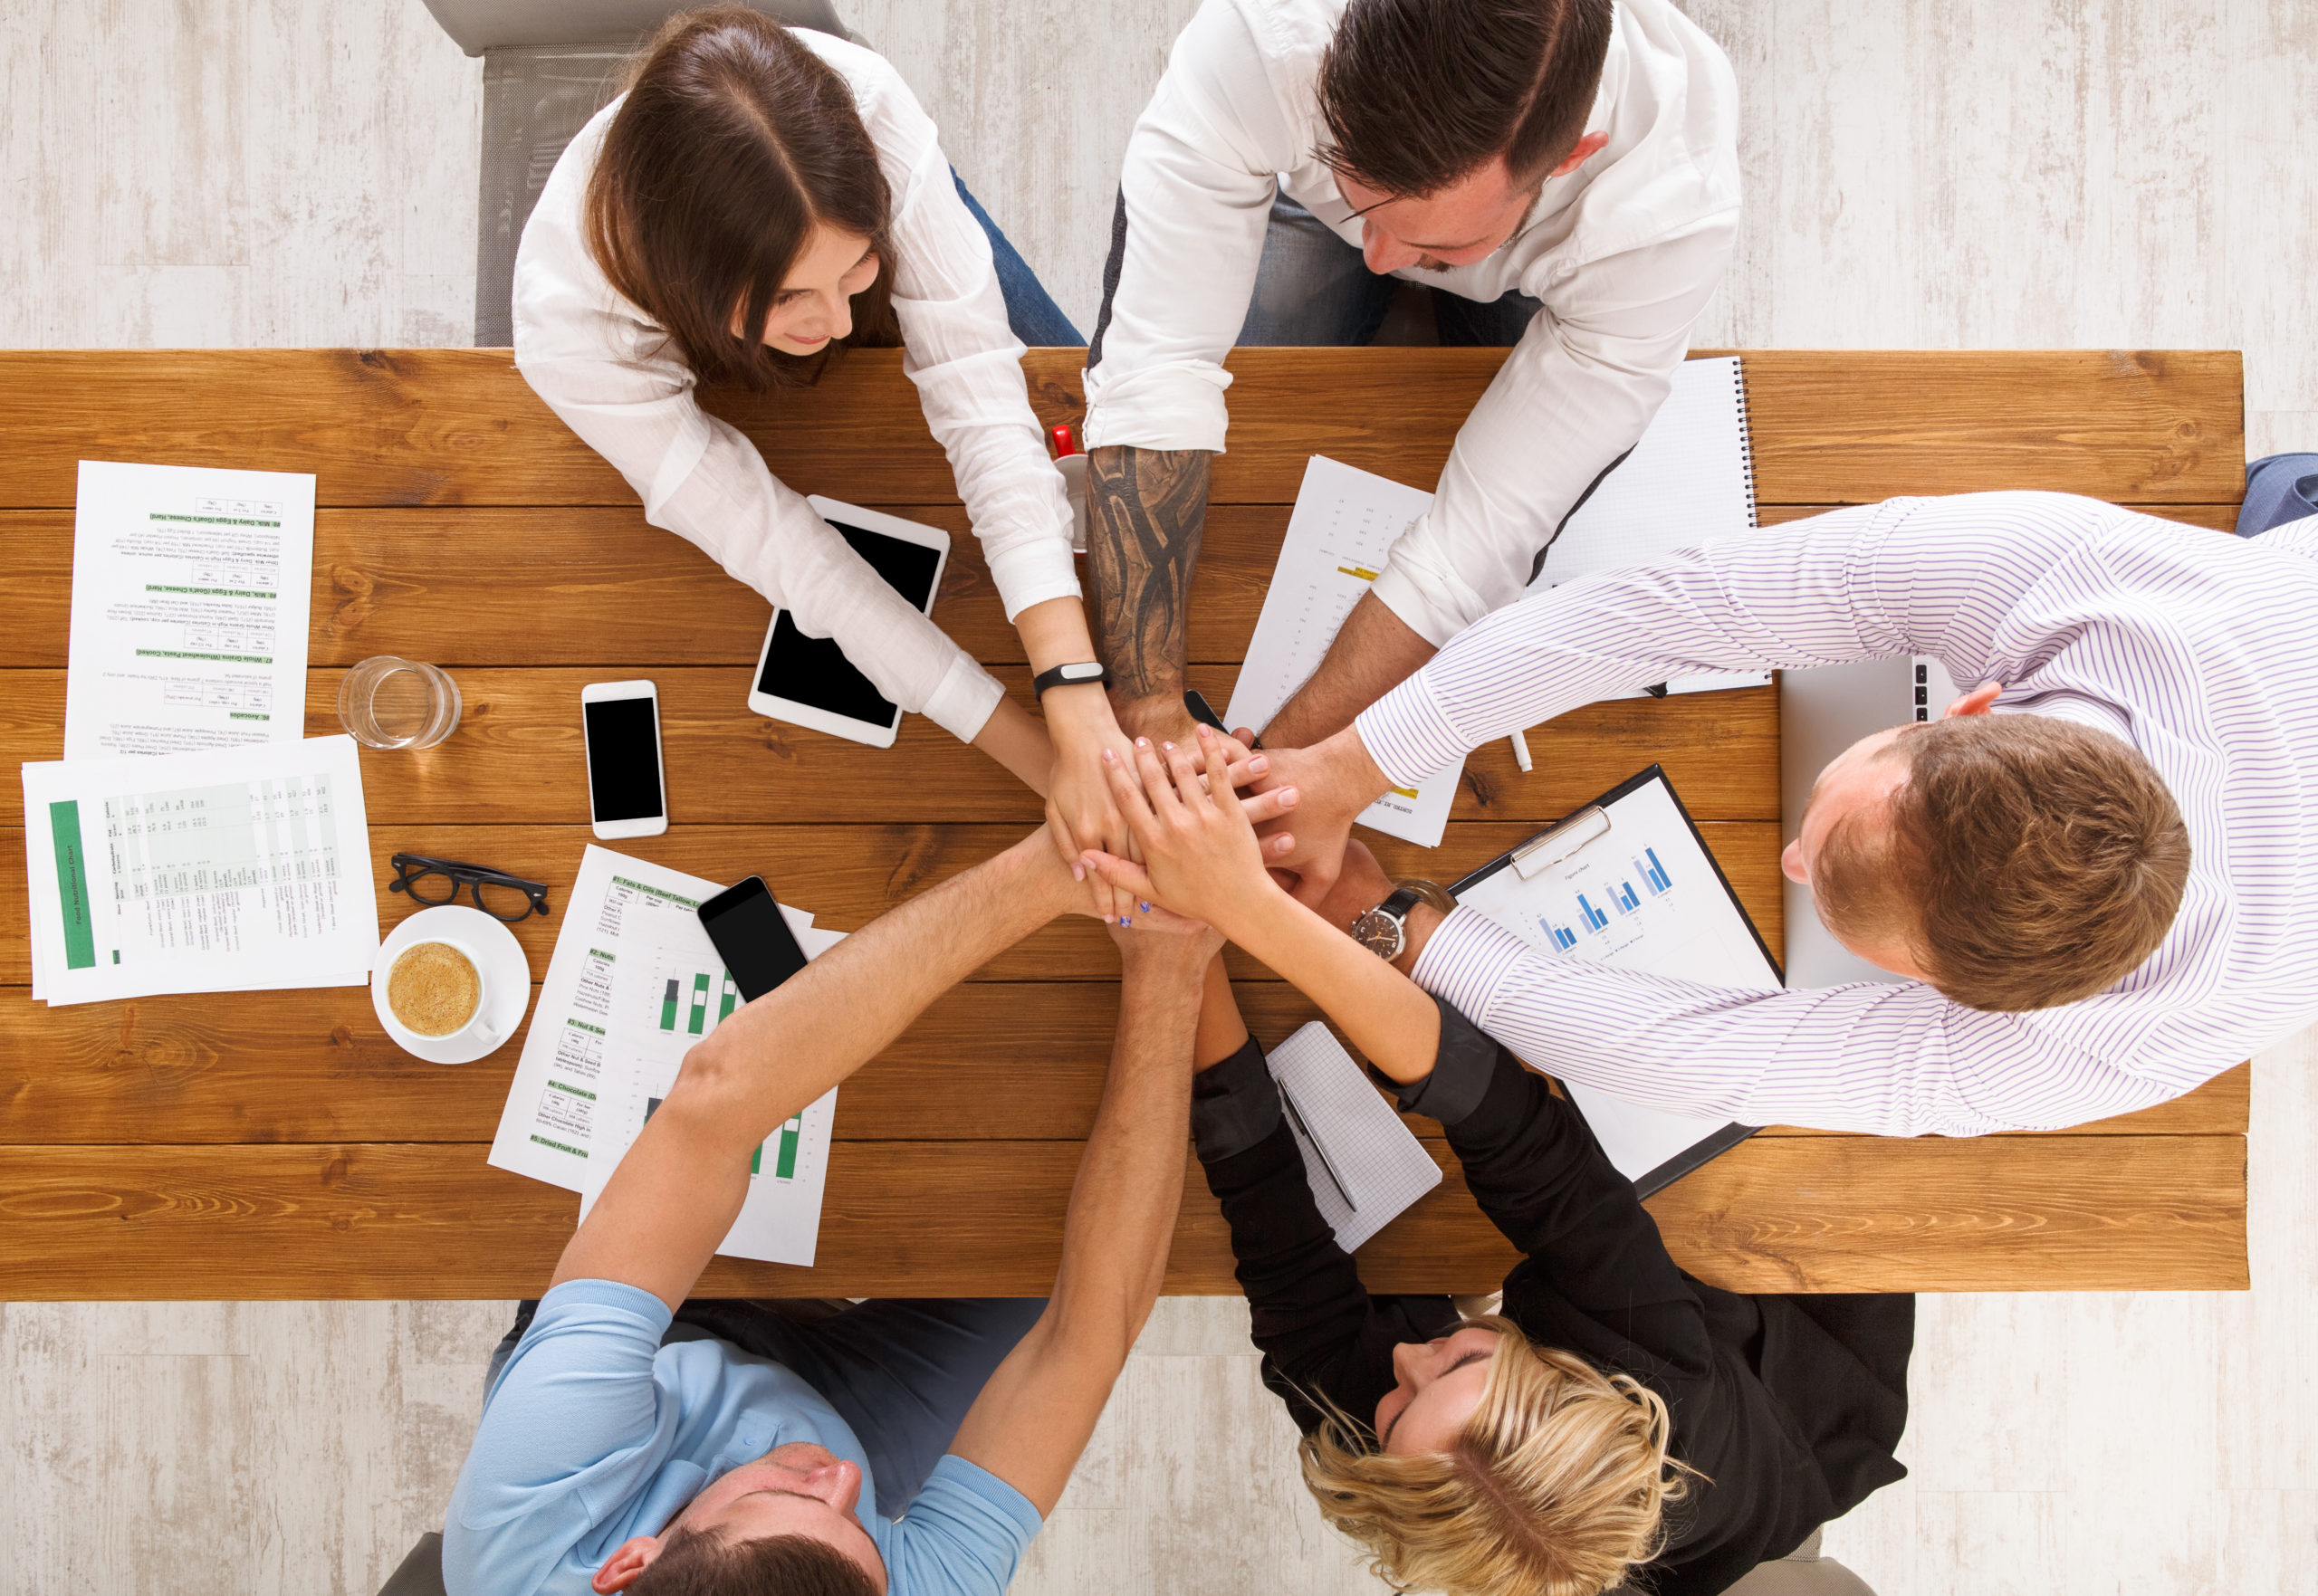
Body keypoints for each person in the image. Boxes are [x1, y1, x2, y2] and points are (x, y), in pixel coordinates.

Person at [1208, 490, 2318, 1138]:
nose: (1788, 854)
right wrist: (1356, 762)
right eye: (1820, 839)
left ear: (1945, 989)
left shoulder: (2091, 1054)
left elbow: (1696, 1056)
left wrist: (1400, 920)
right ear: (1967, 706)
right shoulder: (2088, 579)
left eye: (1830, 896)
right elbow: (1668, 608)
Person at [1087, 731, 1911, 1596]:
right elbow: (1518, 1133)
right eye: (1461, 1362)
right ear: (1563, 1380)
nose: (1410, 1362)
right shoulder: (1656, 1376)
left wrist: (1175, 946)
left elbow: (1278, 1246)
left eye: (1401, 1406)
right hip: (1803, 1399)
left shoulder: (1399, 1462)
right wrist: (1274, 909)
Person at [440, 827, 1229, 1596]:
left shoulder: (530, 1522)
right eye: (865, 1529)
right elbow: (1089, 1332)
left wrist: (1061, 861)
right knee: (1043, 1279)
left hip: (648, 1384)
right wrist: (1171, 959)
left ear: (628, 1565)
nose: (844, 1475)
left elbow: (712, 1103)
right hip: (843, 1401)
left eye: (796, 1496)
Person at [514, 7, 1138, 916]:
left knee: (1071, 432)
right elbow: (791, 554)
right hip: (666, 332)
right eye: (792, 300)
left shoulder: (877, 112)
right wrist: (1037, 754)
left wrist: (1073, 690)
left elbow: (977, 395)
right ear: (693, 290)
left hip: (827, 236)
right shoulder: (573, 329)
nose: (843, 328)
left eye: (855, 274)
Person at [1078, 0, 1740, 750]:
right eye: (1363, 188)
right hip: (1306, 188)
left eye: (1434, 238)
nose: (1379, 257)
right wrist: (1147, 705)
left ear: (1569, 157)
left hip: (1544, 277)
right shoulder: (1267, 37)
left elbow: (1468, 550)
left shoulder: (1670, 215)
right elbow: (1156, 370)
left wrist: (1286, 768)